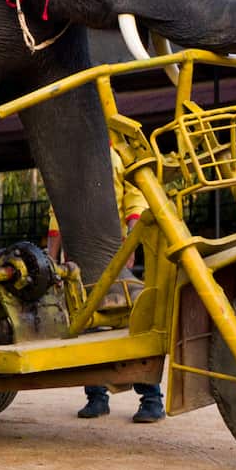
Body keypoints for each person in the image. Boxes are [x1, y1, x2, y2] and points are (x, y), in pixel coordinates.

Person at [46, 144, 165, 423]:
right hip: (78, 259)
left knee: (129, 323)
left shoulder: (119, 152)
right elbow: (57, 210)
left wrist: (132, 242)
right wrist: (52, 257)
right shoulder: (68, 159)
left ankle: (151, 399)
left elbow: (135, 198)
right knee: (87, 323)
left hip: (115, 249)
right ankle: (97, 397)